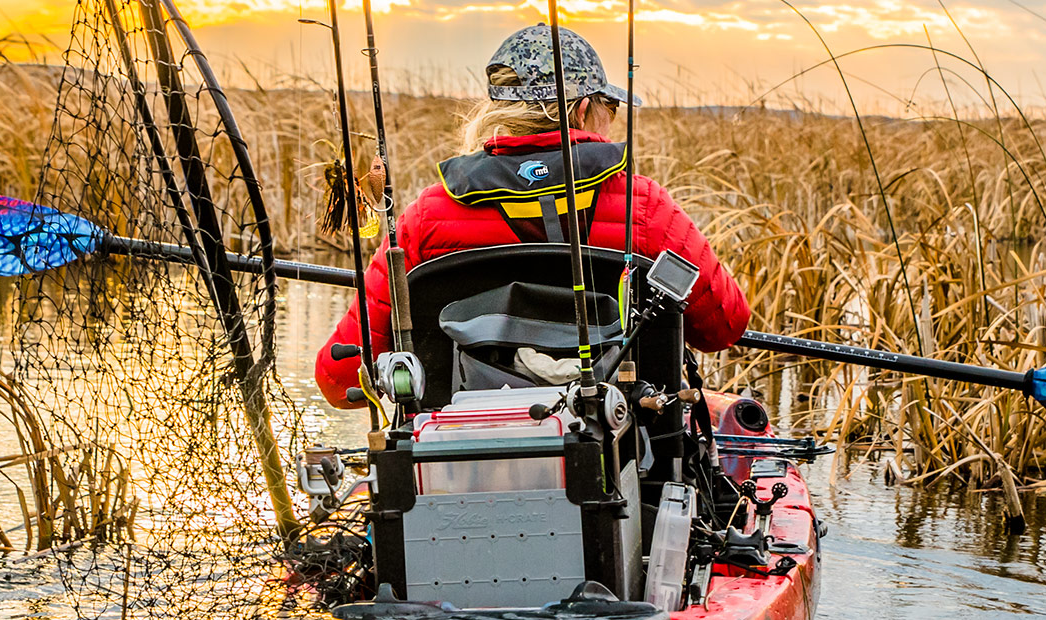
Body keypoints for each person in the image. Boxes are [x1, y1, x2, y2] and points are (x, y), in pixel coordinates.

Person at [314, 24, 749, 409]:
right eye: (609, 108)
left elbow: (338, 378)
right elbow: (725, 327)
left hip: (458, 468)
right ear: (582, 111)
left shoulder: (426, 217)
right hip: (626, 462)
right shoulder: (645, 207)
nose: (611, 120)